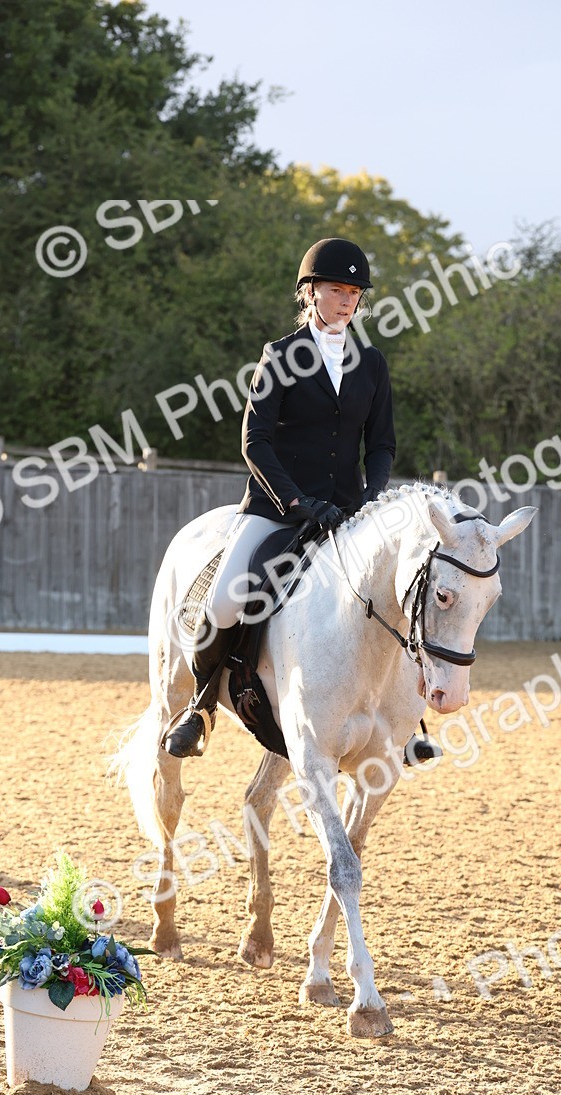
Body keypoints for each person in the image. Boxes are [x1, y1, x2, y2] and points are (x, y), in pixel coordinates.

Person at [164, 237, 396, 758]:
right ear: (310, 292)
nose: (346, 301)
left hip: (345, 514)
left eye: (354, 293)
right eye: (336, 290)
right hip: (278, 509)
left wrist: (367, 502)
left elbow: (381, 445)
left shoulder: (371, 363)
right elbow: (256, 441)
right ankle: (200, 705)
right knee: (224, 600)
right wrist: (295, 503)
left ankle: (406, 721)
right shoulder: (281, 356)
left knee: (399, 593)